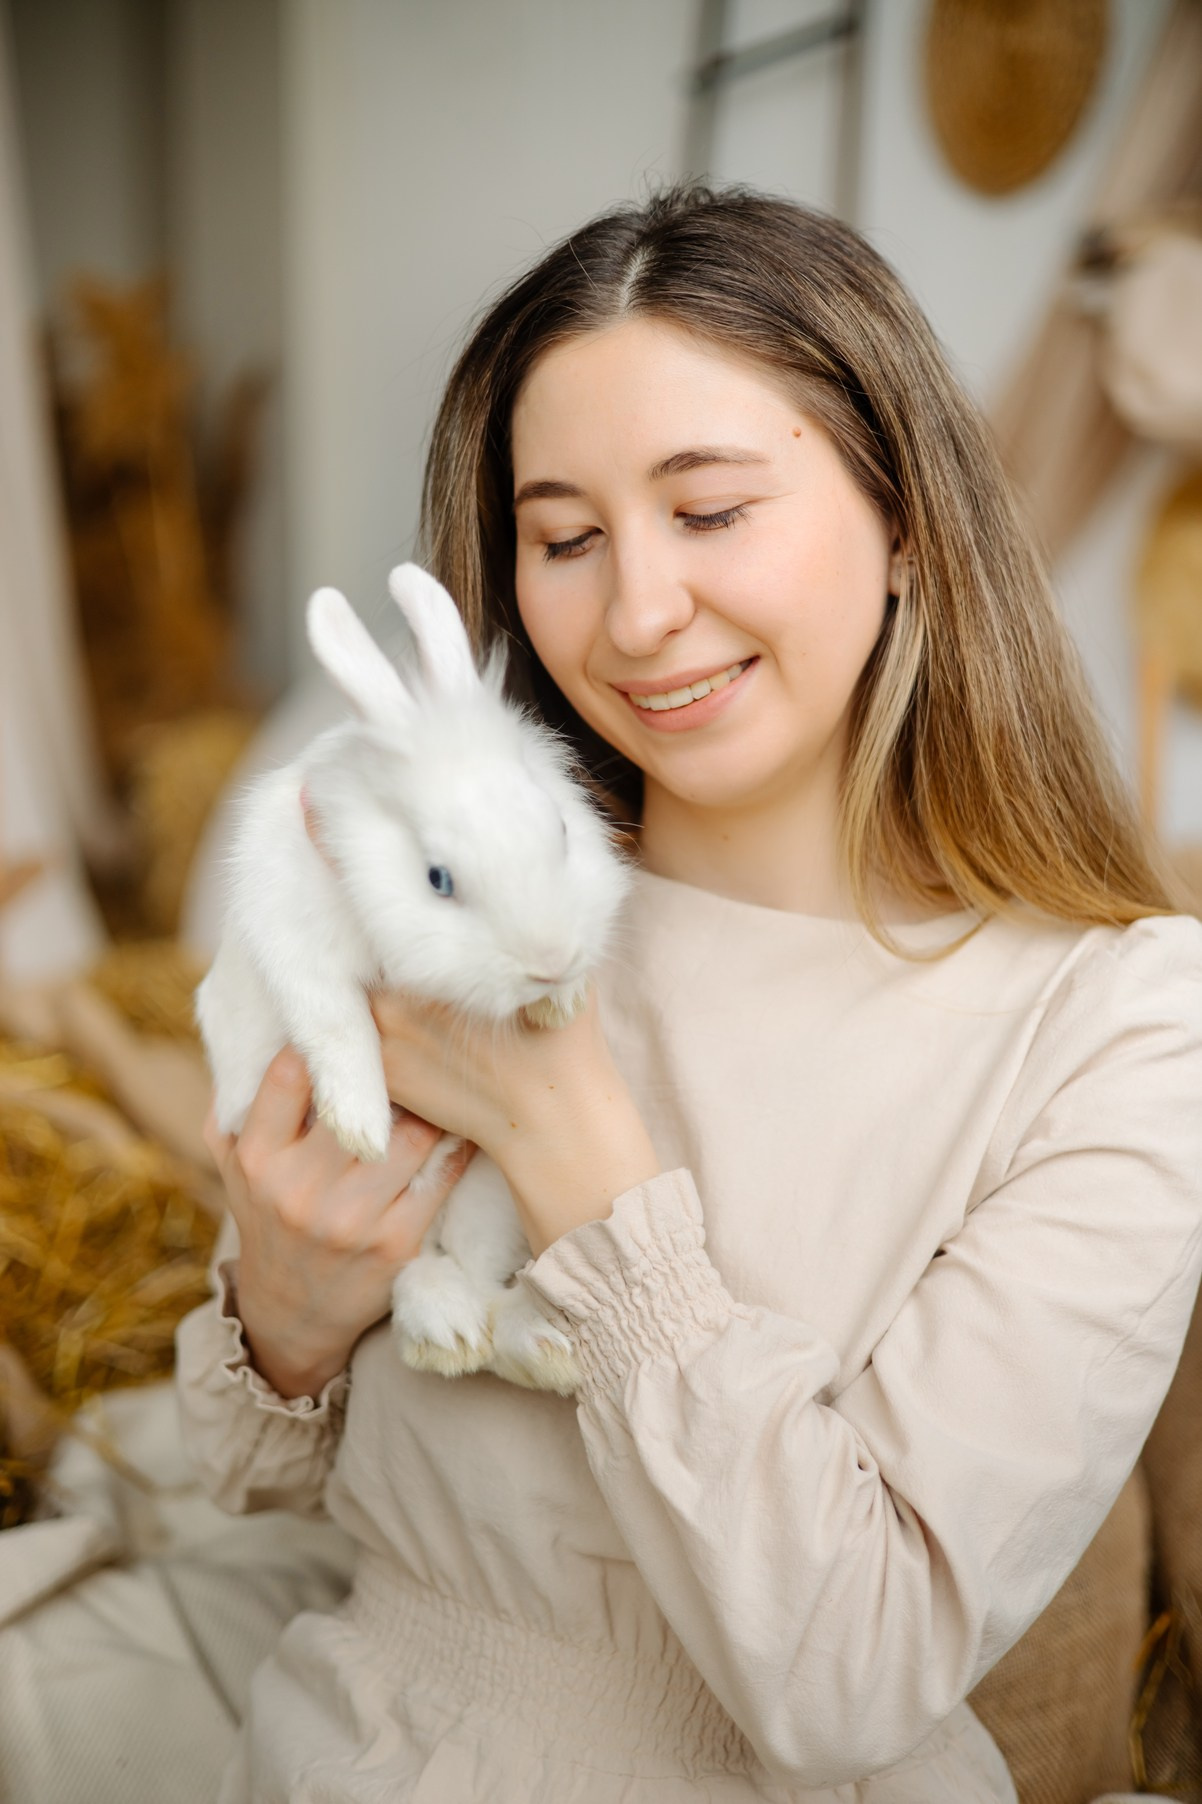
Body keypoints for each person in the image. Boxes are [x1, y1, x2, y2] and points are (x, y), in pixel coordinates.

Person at [176, 183, 1202, 1803]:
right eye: (565, 539)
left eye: (710, 511)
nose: (638, 613)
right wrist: (283, 1325)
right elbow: (248, 1482)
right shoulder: (455, 908)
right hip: (340, 1744)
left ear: (906, 522)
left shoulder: (1120, 1024)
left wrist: (573, 1149)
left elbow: (851, 1671)